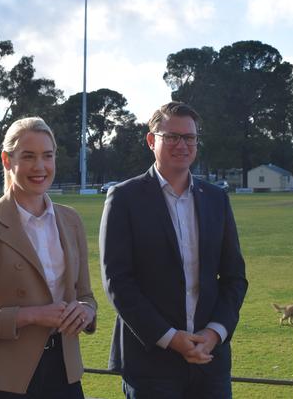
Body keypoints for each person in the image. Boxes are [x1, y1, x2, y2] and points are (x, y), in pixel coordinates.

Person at [99, 101, 247, 399]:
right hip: (151, 362)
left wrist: (214, 333)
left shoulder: (217, 199)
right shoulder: (124, 198)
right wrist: (170, 338)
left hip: (210, 361)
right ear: (152, 140)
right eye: (172, 136)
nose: (183, 144)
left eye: (189, 137)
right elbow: (118, 281)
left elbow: (234, 278)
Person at [0, 117, 97, 399]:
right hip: (1, 380)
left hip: (63, 375)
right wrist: (33, 315)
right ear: (7, 160)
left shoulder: (71, 220)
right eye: (28, 157)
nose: (40, 167)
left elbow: (86, 296)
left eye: (47, 156)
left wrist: (86, 312)